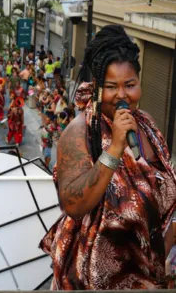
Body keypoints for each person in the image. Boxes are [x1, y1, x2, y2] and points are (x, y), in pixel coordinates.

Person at [40, 25, 176, 289]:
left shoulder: (146, 124)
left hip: (147, 271)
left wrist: (169, 235)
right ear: (97, 88)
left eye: (130, 85)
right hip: (97, 279)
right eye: (111, 86)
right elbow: (73, 205)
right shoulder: (78, 133)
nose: (122, 95)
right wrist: (114, 148)